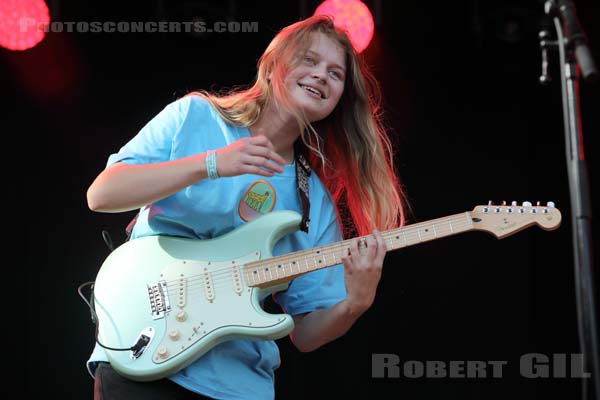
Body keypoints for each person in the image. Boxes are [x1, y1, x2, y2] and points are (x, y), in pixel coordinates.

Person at [86, 14, 408, 400]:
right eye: (308, 60)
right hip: (141, 347)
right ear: (272, 67)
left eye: (335, 73)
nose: (321, 75)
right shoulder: (196, 117)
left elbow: (305, 335)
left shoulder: (313, 201)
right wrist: (211, 164)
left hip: (236, 387)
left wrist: (355, 303)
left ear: (340, 99)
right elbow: (102, 195)